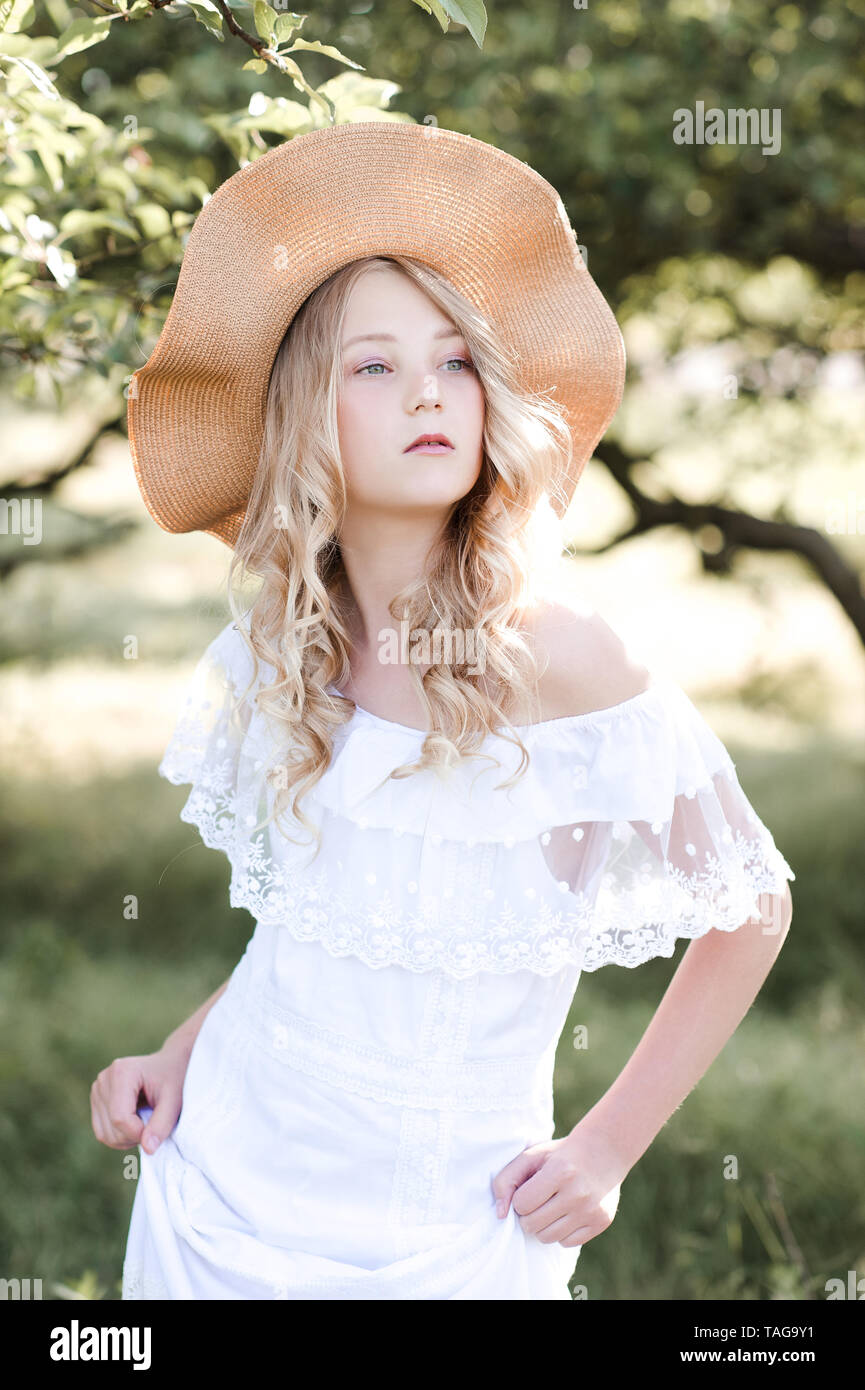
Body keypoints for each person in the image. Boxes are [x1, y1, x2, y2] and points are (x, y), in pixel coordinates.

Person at [91, 123, 795, 1300]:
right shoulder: (289, 646)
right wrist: (180, 1047)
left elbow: (753, 905)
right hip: (222, 1186)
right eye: (373, 366)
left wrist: (607, 1145)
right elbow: (322, 923)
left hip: (443, 1239)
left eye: (455, 359)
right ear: (305, 419)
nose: (427, 390)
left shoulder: (560, 657)